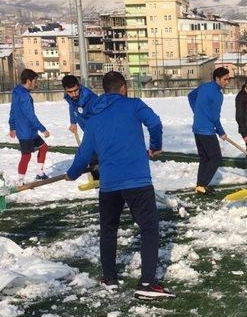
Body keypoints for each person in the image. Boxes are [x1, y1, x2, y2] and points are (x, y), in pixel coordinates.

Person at [66, 71, 174, 300]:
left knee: (108, 229)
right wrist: (155, 145)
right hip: (137, 179)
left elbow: (85, 152)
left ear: (105, 90)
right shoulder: (134, 105)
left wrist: (72, 173)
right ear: (123, 87)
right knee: (149, 229)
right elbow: (154, 122)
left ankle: (110, 277)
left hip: (109, 183)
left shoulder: (93, 118)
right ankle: (146, 282)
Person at [188, 67, 230, 195]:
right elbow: (215, 117)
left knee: (205, 158)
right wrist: (221, 132)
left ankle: (200, 185)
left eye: (228, 79)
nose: (227, 82)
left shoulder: (204, 86)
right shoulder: (217, 95)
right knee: (216, 158)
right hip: (206, 131)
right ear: (217, 79)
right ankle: (202, 184)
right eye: (225, 79)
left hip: (197, 128)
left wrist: (197, 111)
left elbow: (191, 96)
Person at [8, 69, 50, 185]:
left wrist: (12, 127)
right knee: (26, 156)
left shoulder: (17, 91)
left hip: (29, 130)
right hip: (26, 131)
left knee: (43, 147)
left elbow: (12, 111)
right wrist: (43, 129)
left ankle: (40, 173)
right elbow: (30, 115)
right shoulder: (25, 96)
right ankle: (20, 181)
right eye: (35, 81)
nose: (36, 83)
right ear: (28, 81)